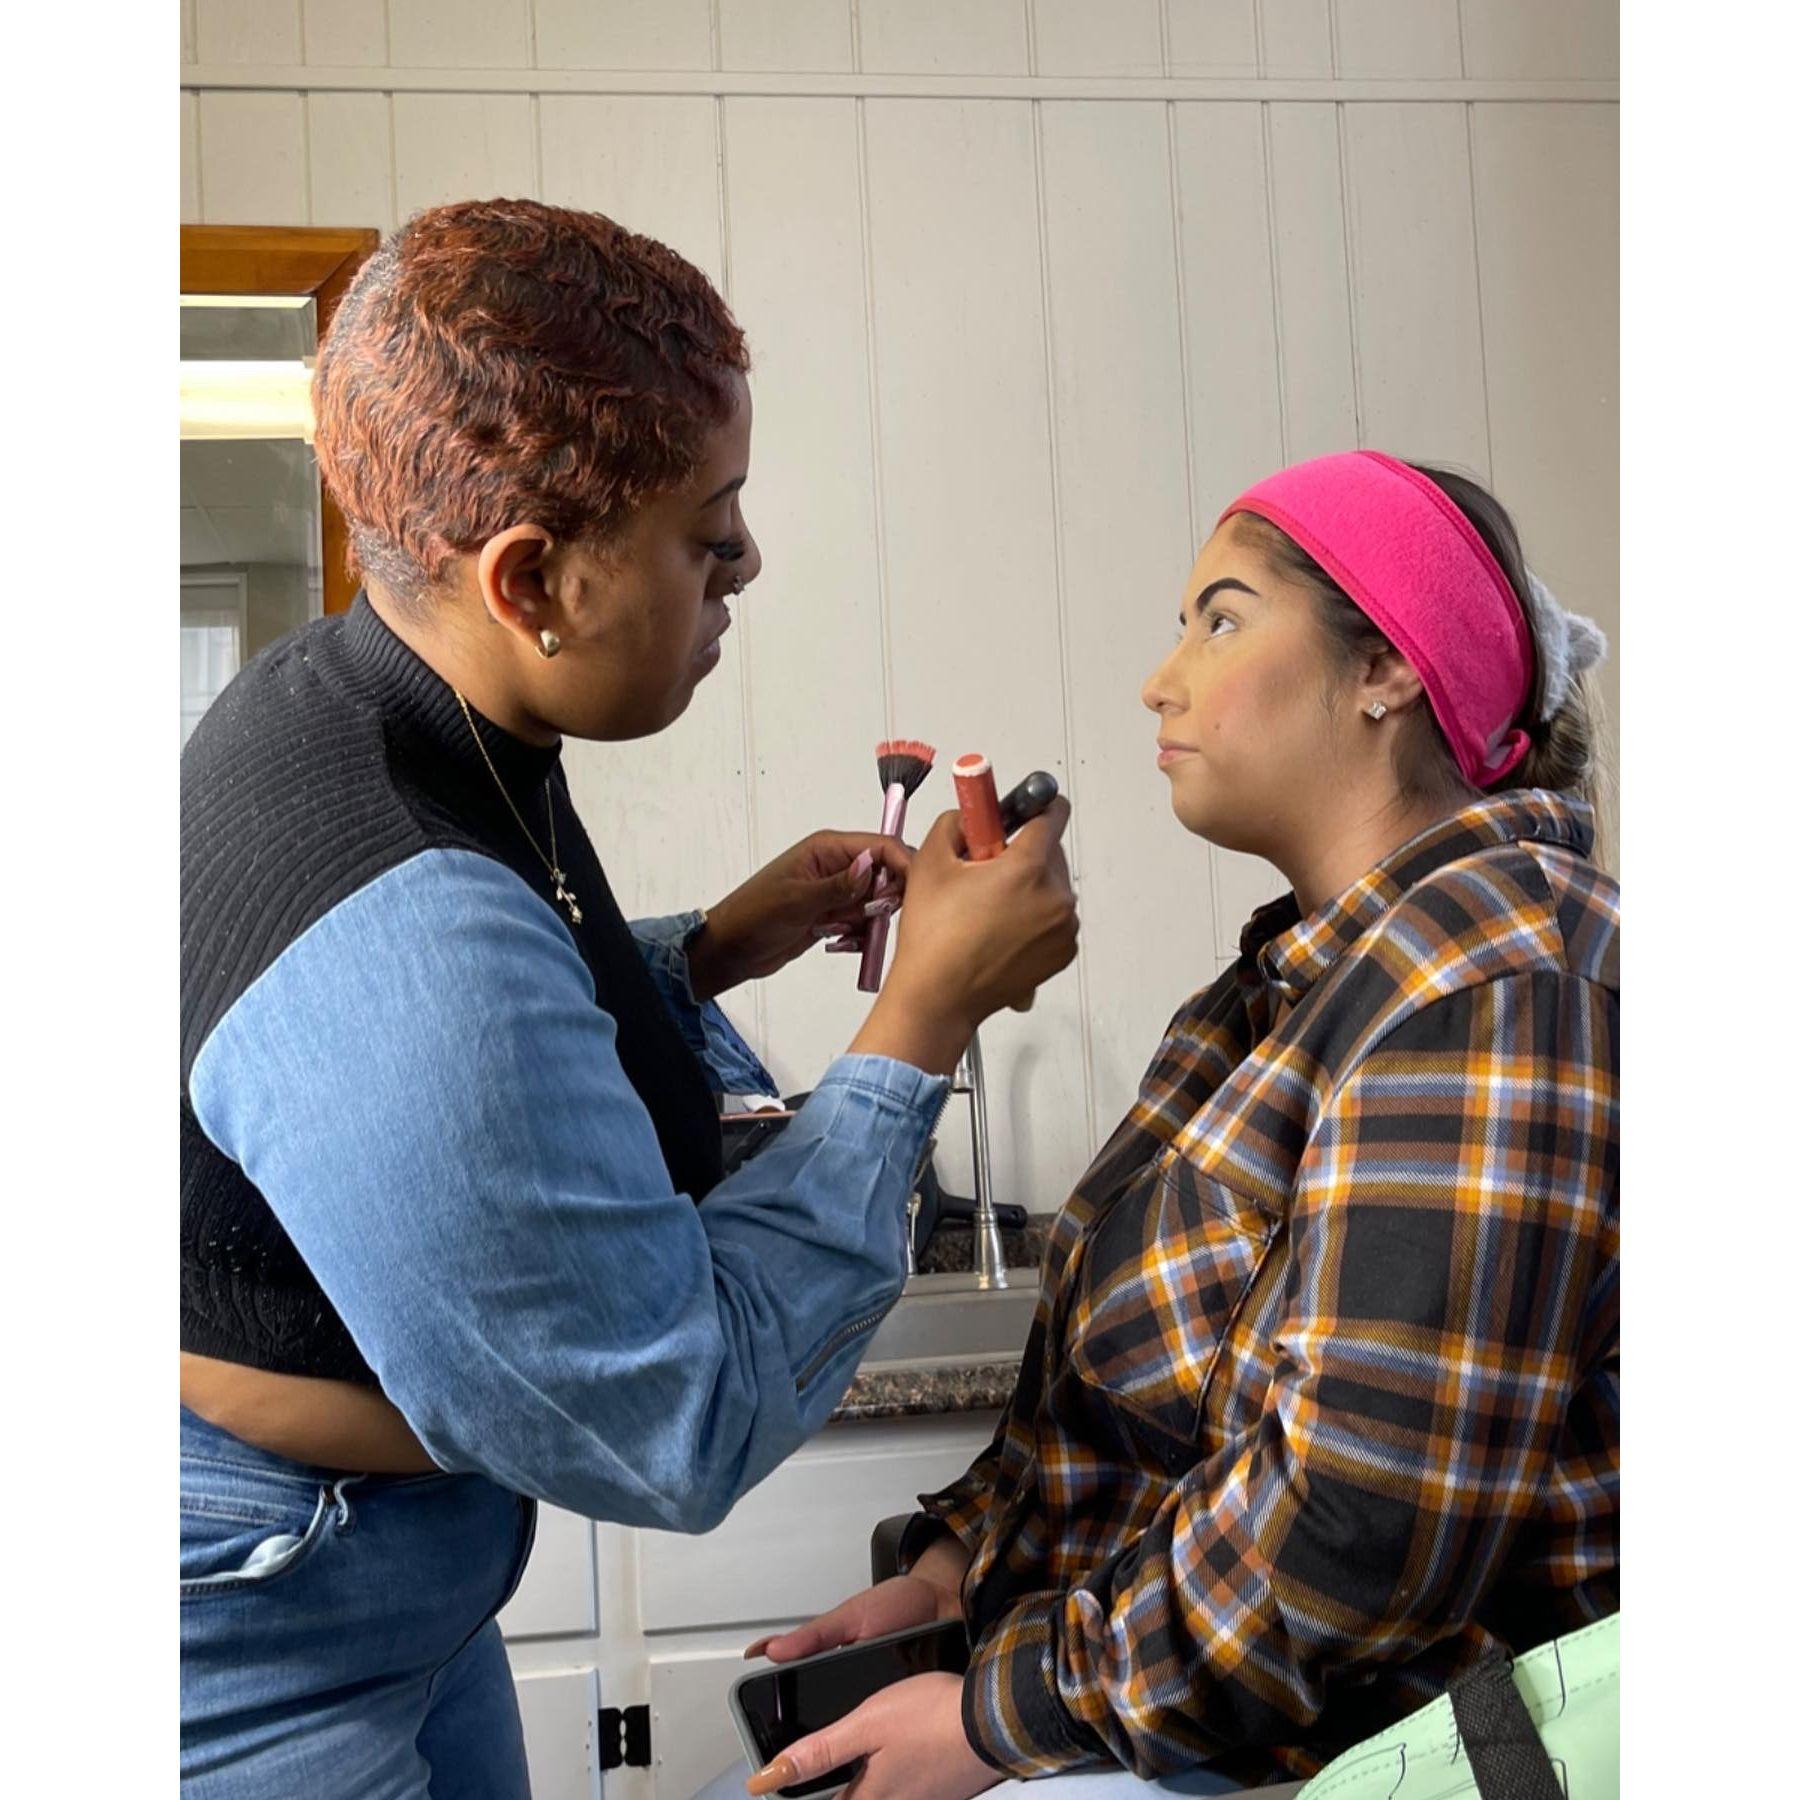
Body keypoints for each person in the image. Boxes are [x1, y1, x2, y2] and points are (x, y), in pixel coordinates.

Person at [178, 197, 1080, 1797]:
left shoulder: (376, 703)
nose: (746, 565)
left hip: (389, 1579)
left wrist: (709, 950)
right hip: (262, 1629)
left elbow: (468, 1035)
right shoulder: (405, 924)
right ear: (532, 580)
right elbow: (672, 1415)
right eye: (706, 534)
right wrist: (924, 1019)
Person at [725, 452, 1618, 1800]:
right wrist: (954, 1577)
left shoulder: (1490, 977)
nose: (1160, 679)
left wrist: (995, 1716)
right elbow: (1126, 1425)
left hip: (1349, 1765)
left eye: (1222, 620)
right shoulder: (1268, 998)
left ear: (1387, 668)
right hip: (1180, 1732)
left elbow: (1356, 1533)